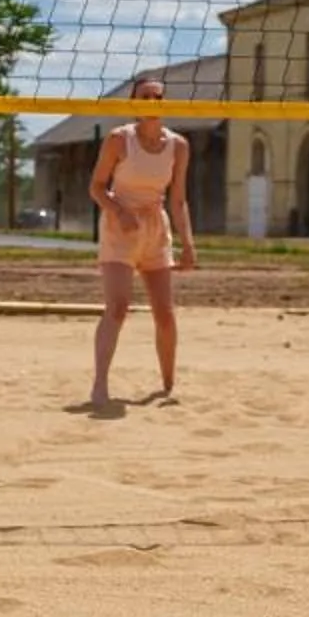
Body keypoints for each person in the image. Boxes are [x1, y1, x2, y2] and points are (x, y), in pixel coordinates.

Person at [86, 77, 198, 407]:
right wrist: (118, 211)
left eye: (157, 96)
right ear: (135, 102)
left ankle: (167, 385)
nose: (152, 101)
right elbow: (96, 187)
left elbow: (178, 200)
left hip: (155, 227)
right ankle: (100, 385)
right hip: (120, 226)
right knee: (118, 307)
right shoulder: (119, 140)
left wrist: (188, 243)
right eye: (145, 96)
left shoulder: (178, 145)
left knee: (164, 313)